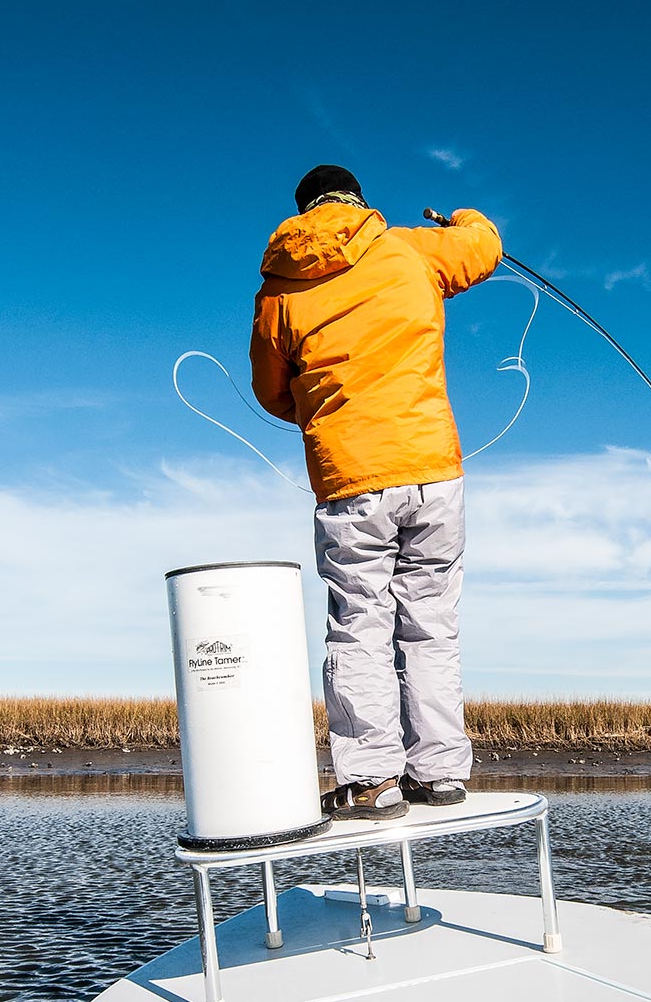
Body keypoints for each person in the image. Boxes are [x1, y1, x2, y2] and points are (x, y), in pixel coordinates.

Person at [250, 165, 502, 819]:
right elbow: (486, 246)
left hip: (349, 480)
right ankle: (439, 772)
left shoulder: (278, 290)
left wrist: (323, 412)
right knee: (431, 622)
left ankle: (371, 782)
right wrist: (460, 220)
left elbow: (270, 391)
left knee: (358, 622)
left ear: (302, 213)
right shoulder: (411, 249)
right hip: (432, 473)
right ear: (358, 202)